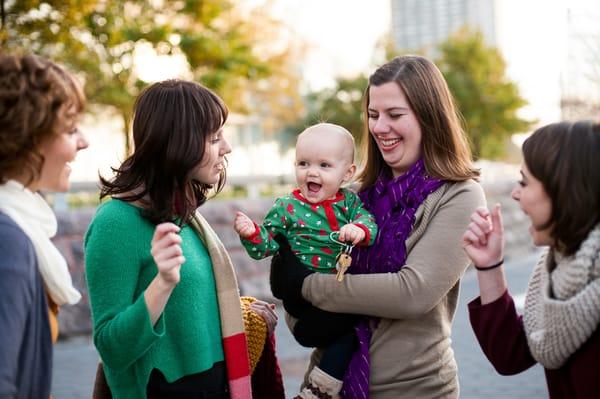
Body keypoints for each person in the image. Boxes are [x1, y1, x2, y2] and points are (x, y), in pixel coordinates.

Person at [271, 55, 486, 398]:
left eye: (395, 115)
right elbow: (294, 273)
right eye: (373, 115)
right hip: (327, 385)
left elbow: (411, 293)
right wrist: (297, 303)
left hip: (414, 389)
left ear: (429, 117)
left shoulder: (459, 196)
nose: (380, 127)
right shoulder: (349, 198)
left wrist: (308, 286)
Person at [84, 79, 281, 399]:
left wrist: (241, 312)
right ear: (179, 142)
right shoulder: (115, 224)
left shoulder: (185, 214)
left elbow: (190, 308)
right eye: (215, 137)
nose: (227, 147)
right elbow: (112, 349)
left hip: (217, 386)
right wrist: (162, 284)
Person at [234, 122, 378, 397]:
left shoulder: (349, 204)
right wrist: (252, 234)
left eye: (324, 165)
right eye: (303, 163)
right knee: (350, 326)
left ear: (347, 173)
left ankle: (319, 389)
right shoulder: (287, 207)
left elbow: (369, 224)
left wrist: (357, 230)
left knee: (347, 336)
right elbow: (266, 246)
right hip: (304, 301)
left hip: (335, 295)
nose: (311, 171)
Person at [463, 121, 600, 399]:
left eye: (524, 182)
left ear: (564, 191)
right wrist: (489, 265)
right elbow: (510, 355)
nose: (515, 193)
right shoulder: (560, 269)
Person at [0, 53, 88, 398]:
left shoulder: (21, 225)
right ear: (27, 136)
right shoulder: (9, 240)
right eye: (70, 129)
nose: (83, 141)